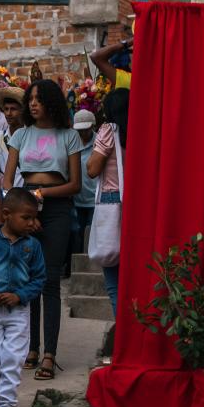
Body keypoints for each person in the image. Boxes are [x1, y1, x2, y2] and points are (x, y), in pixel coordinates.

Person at [4, 80, 84, 382]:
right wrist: (25, 210)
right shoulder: (21, 135)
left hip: (57, 208)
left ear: (52, 102)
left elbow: (75, 184)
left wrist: (42, 197)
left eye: (39, 99)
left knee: (50, 280)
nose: (33, 104)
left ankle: (49, 352)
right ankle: (31, 347)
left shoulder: (69, 136)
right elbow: (8, 180)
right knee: (29, 280)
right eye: (30, 99)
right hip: (25, 206)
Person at [0, 189, 45, 407]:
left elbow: (39, 279)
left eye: (34, 218)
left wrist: (20, 295)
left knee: (13, 358)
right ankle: (0, 391)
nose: (32, 223)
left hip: (19, 311)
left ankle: (6, 405)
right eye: (26, 218)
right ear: (6, 214)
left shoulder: (33, 246)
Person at [88, 88, 129, 328]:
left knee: (113, 282)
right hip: (136, 206)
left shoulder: (108, 131)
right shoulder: (142, 130)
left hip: (111, 203)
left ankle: (123, 335)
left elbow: (93, 169)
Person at [72, 110, 99, 255]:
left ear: (92, 127)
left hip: (94, 199)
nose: (82, 133)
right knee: (77, 233)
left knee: (92, 234)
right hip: (76, 199)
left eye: (85, 129)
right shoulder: (72, 143)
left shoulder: (99, 143)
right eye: (79, 130)